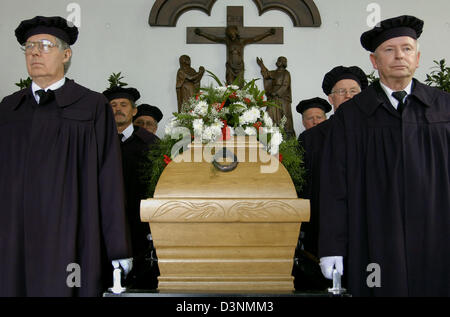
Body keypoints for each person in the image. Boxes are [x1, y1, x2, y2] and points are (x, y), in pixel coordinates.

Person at [318, 15, 450, 296]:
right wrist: (332, 247)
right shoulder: (351, 117)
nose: (399, 56)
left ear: (417, 57)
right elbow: (333, 188)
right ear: (374, 61)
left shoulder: (444, 109)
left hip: (438, 235)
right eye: (389, 50)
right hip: (374, 237)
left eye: (406, 48)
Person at [0, 16, 132, 296]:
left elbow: (108, 177)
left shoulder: (91, 105)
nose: (35, 52)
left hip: (72, 234)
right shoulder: (10, 109)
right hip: (16, 237)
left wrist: (117, 246)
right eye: (30, 46)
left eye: (45, 45)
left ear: (66, 54)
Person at [103, 85, 159, 289]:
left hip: (139, 222)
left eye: (123, 105)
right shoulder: (96, 140)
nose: (118, 109)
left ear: (134, 111)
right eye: (113, 105)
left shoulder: (150, 143)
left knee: (141, 280)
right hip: (104, 221)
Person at [195, 26, 275, 85]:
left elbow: (255, 38)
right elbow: (214, 38)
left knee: (240, 86)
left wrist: (267, 33)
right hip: (230, 67)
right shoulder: (227, 41)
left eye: (232, 32)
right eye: (229, 33)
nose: (231, 34)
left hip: (239, 67)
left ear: (236, 32)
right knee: (230, 86)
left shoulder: (242, 41)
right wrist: (202, 33)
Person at [257, 56, 294, 137]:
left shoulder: (286, 73)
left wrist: (277, 93)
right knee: (269, 113)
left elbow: (285, 85)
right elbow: (266, 75)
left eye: (281, 61)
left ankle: (286, 134)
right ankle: (268, 133)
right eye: (279, 60)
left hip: (282, 97)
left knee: (284, 115)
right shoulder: (275, 72)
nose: (279, 62)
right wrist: (261, 65)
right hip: (273, 96)